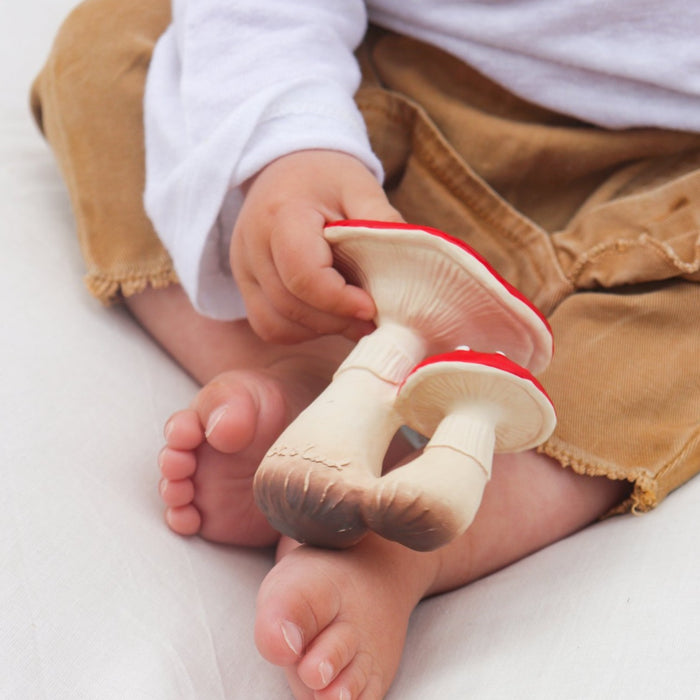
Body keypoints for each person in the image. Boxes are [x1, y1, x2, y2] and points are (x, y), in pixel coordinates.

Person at [31, 1, 700, 697]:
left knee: (664, 354)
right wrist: (288, 139)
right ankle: (315, 380)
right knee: (109, 44)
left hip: (674, 183)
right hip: (384, 102)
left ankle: (409, 533)